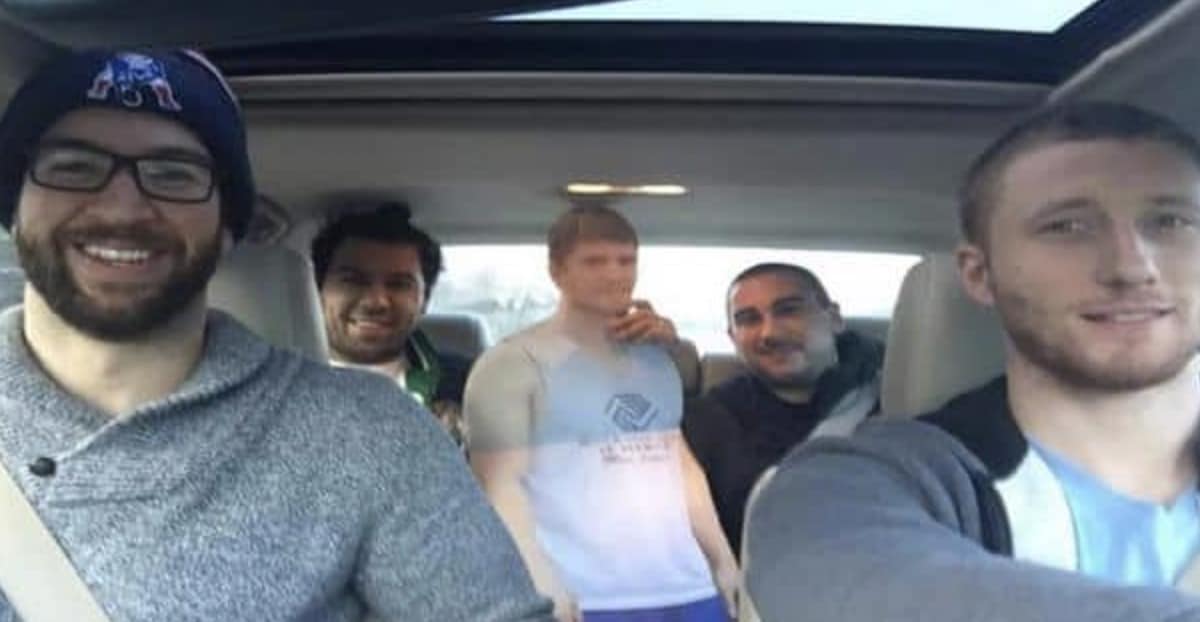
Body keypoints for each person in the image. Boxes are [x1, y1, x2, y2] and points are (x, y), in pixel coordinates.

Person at [0, 48, 551, 620]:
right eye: (72, 167)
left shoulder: (373, 433)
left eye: (173, 175)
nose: (122, 208)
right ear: (13, 205)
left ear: (227, 228)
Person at [745, 102, 1200, 621]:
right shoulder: (856, 480)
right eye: (1068, 227)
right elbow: (828, 568)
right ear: (980, 275)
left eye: (1172, 221)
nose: (1132, 267)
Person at [466, 205, 738, 622]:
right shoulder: (513, 363)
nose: (614, 274)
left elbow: (679, 465)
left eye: (626, 260)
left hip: (689, 588)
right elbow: (500, 485)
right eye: (594, 262)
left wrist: (722, 559)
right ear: (557, 271)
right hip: (587, 595)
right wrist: (540, 580)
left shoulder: (655, 360)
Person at [683, 262, 882, 554]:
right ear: (733, 338)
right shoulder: (706, 422)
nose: (769, 333)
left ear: (834, 318)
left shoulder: (898, 398)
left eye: (788, 310)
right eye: (748, 320)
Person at [312, 202, 471, 444]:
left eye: (398, 284)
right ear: (318, 290)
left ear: (425, 300)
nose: (376, 302)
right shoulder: (275, 384)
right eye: (353, 280)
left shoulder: (471, 386)